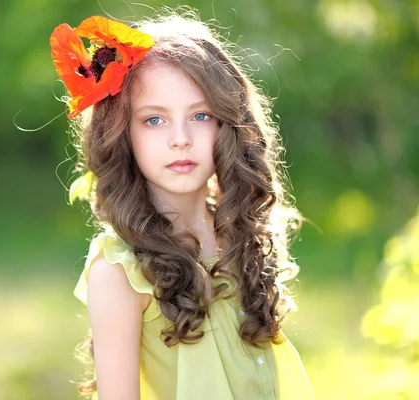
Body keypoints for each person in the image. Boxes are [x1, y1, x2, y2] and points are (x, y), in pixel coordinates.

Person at [49, 10, 315, 400]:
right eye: (154, 120)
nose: (180, 138)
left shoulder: (238, 234)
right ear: (122, 132)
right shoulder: (119, 271)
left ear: (228, 124)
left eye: (200, 115)